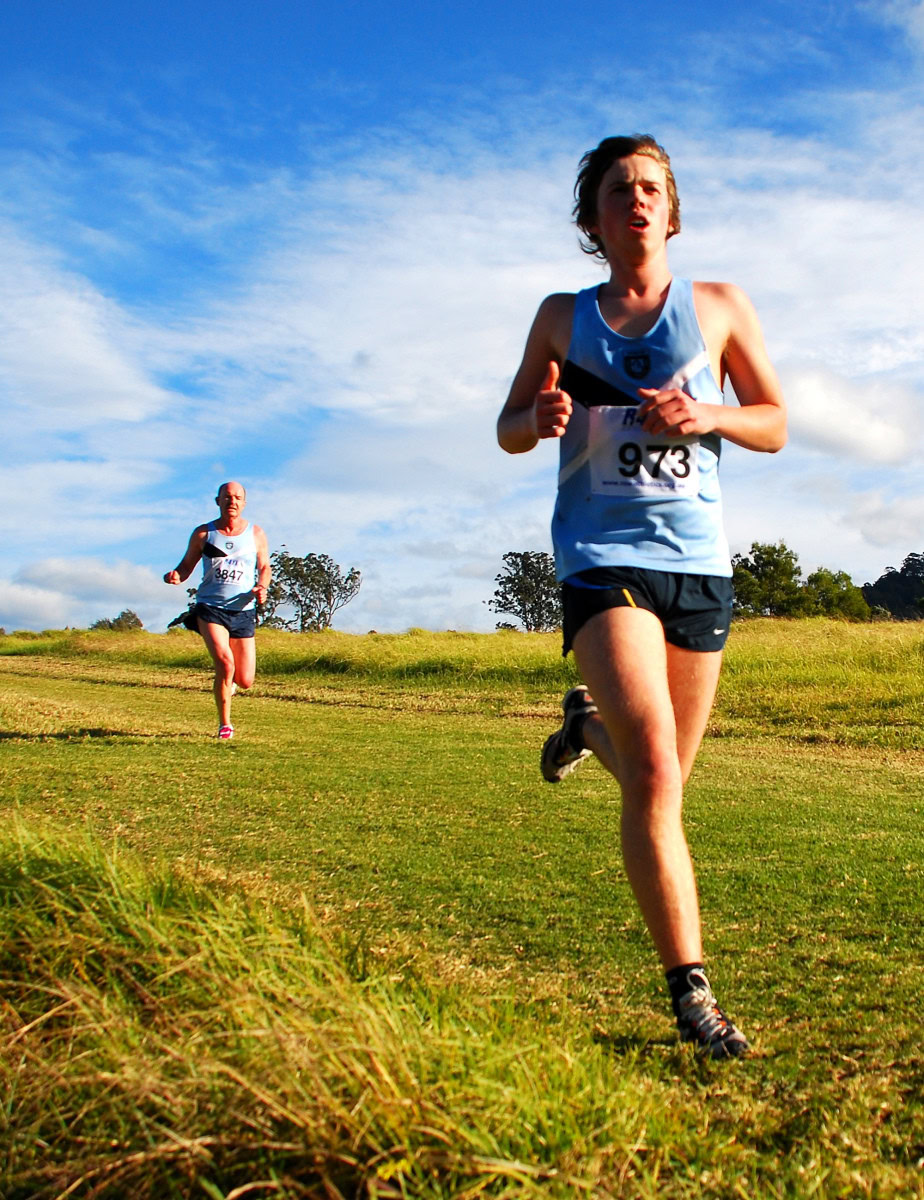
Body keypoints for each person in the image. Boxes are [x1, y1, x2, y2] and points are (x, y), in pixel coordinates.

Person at [497, 135, 786, 1059]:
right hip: (599, 554)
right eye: (620, 189)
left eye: (653, 188)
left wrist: (708, 414)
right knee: (657, 774)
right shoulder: (560, 317)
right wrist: (534, 418)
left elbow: (775, 423)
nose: (638, 200)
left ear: (672, 210)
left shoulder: (721, 308)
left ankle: (583, 731)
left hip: (697, 563)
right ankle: (693, 996)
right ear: (594, 218)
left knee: (663, 785)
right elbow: (508, 426)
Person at [164, 481, 271, 740]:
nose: (232, 501)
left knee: (245, 680)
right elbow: (186, 565)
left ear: (244, 503)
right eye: (227, 497)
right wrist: (176, 575)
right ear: (218, 501)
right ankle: (225, 725)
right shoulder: (203, 534)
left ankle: (230, 684)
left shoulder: (255, 534)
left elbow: (265, 567)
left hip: (243, 610)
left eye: (237, 497)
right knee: (225, 663)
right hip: (210, 608)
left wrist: (261, 587)